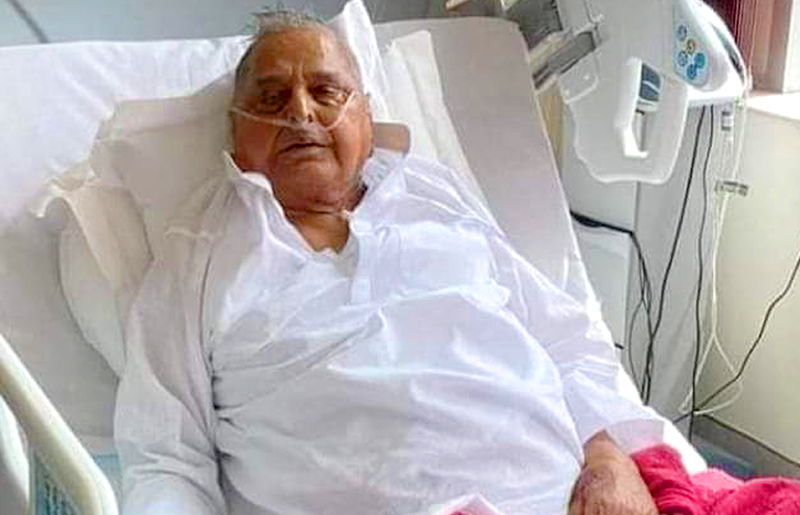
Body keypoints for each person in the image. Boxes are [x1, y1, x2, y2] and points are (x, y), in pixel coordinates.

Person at [115, 10, 676, 515]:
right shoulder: (200, 249)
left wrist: (610, 460)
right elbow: (168, 458)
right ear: (237, 135)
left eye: (326, 91)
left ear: (366, 118)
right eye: (270, 98)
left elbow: (564, 340)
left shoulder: (435, 195)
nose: (301, 111)